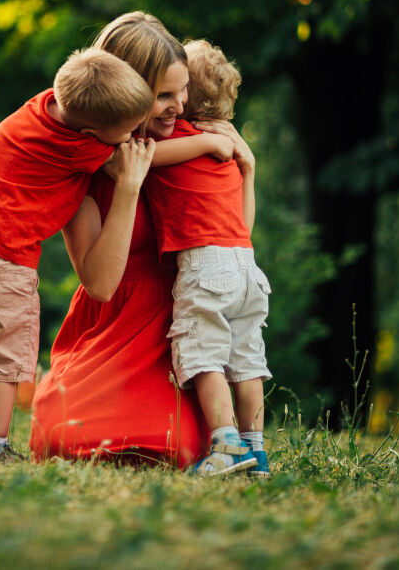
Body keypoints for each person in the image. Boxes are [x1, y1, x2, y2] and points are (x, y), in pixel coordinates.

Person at [29, 12, 239, 467]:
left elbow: (235, 241)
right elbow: (100, 284)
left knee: (171, 442)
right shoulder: (82, 167)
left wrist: (250, 170)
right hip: (110, 326)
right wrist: (127, 186)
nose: (179, 106)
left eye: (182, 90)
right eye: (163, 96)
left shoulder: (192, 141)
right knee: (63, 434)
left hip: (175, 328)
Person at [0, 47, 155, 463]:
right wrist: (214, 143)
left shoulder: (44, 108)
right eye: (125, 132)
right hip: (5, 260)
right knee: (5, 361)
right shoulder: (77, 148)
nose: (131, 137)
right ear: (92, 137)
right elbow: (143, 161)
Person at [144, 39, 272, 477]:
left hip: (206, 266)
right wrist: (243, 164)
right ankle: (258, 450)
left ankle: (226, 444)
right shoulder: (226, 148)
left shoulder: (180, 136)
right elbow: (243, 224)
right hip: (246, 264)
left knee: (204, 356)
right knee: (247, 361)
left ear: (183, 98)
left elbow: (142, 157)